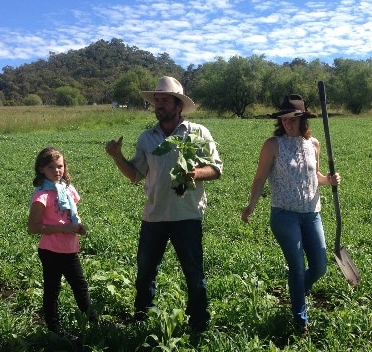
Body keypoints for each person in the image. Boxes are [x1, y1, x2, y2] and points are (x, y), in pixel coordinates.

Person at [104, 76, 222, 333]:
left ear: (178, 105)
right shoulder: (148, 137)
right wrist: (117, 157)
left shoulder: (198, 133)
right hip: (154, 216)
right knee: (145, 274)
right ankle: (141, 320)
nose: (159, 105)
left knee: (194, 274)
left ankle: (199, 323)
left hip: (187, 215)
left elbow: (216, 169)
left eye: (164, 100)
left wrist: (194, 174)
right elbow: (136, 174)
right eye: (156, 100)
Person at [241, 94, 341, 336]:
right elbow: (260, 176)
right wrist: (251, 205)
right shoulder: (273, 145)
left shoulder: (313, 144)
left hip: (312, 213)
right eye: (284, 119)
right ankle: (300, 319)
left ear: (303, 119)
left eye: (292, 118)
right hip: (285, 214)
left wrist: (329, 179)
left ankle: (297, 294)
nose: (287, 123)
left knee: (319, 266)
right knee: (297, 267)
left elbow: (314, 175)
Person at [28, 147, 98, 339]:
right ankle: (54, 328)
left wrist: (79, 225)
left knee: (80, 286)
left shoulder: (67, 190)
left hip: (69, 249)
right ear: (41, 169)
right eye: (51, 167)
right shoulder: (42, 195)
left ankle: (94, 321)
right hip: (51, 250)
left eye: (60, 166)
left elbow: (71, 215)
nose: (57, 170)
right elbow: (33, 227)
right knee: (53, 289)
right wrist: (63, 229)